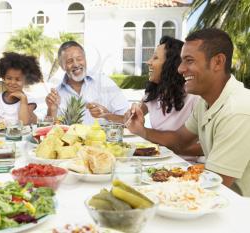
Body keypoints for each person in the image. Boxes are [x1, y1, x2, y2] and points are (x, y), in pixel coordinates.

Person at [125, 28, 250, 196]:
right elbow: (180, 141)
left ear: (218, 62)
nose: (180, 69)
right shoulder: (206, 101)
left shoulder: (238, 111)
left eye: (189, 61)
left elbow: (214, 187)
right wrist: (142, 130)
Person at [135, 36, 200, 159]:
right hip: (159, 160)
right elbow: (132, 118)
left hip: (187, 166)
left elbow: (203, 147)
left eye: (155, 57)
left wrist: (145, 133)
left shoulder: (194, 97)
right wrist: (107, 115)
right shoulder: (153, 92)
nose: (148, 62)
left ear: (170, 64)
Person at [45, 41, 129, 124]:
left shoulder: (105, 83)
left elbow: (128, 121)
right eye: (69, 61)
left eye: (79, 59)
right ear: (62, 66)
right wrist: (51, 110)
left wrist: (106, 114)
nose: (76, 64)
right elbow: (48, 132)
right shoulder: (56, 95)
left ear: (85, 59)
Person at [0, 52, 42, 126]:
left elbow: (24, 123)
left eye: (18, 79)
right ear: (3, 78)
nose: (13, 82)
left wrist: (23, 100)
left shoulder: (29, 100)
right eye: (9, 78)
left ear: (25, 81)